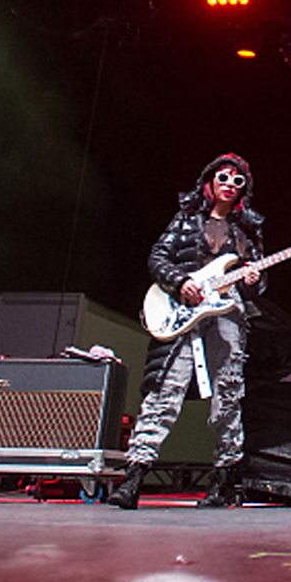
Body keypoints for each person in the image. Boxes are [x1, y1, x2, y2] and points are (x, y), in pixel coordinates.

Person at [108, 153, 265, 510]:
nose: (230, 184)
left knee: (228, 394)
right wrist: (180, 282)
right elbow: (157, 258)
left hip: (227, 313)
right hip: (182, 311)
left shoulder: (246, 233)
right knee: (166, 390)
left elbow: (256, 283)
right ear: (209, 182)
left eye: (237, 180)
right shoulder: (185, 221)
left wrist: (254, 280)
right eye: (223, 177)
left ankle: (223, 481)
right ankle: (134, 477)